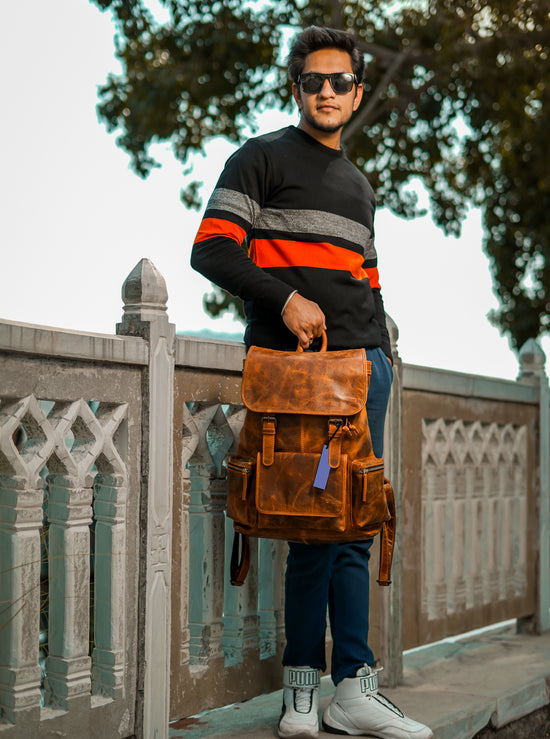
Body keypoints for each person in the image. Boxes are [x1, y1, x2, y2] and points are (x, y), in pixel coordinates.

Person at [191, 25, 433, 739]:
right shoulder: (259, 158)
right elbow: (210, 249)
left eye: (340, 82)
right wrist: (284, 299)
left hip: (365, 374)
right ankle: (302, 693)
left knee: (355, 527)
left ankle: (352, 691)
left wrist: (383, 351)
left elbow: (368, 280)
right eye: (312, 81)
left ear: (357, 91)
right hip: (297, 377)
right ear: (294, 87)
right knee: (309, 527)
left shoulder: (358, 185)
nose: (327, 92)